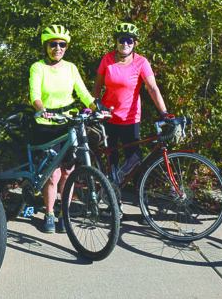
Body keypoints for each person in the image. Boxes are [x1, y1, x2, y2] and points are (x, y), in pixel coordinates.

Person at [30, 24, 97, 234]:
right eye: (53, 44)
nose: (57, 48)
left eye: (61, 44)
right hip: (47, 125)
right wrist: (42, 109)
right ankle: (49, 213)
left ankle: (64, 214)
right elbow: (35, 95)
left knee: (69, 171)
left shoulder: (71, 68)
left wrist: (97, 107)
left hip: (68, 124)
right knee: (53, 174)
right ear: (46, 46)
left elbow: (84, 94)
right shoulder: (38, 67)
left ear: (66, 47)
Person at [92, 22, 171, 177]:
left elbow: (153, 88)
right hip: (108, 116)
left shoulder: (141, 62)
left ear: (135, 43)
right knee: (111, 157)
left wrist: (165, 112)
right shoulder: (107, 59)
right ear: (116, 42)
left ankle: (137, 192)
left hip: (130, 118)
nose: (125, 44)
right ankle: (113, 190)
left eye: (129, 40)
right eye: (121, 40)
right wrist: (94, 106)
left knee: (134, 158)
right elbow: (97, 84)